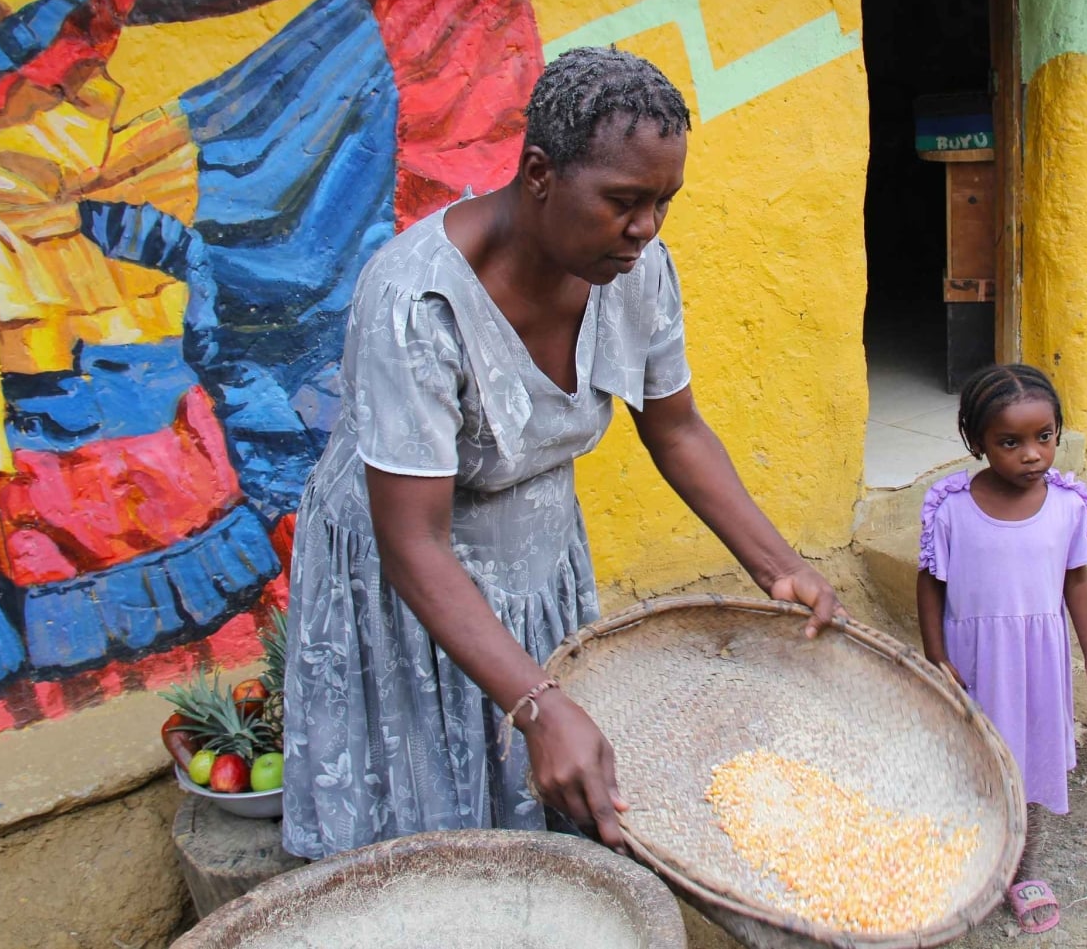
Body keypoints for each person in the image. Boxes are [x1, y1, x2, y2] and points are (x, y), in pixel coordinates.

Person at [280, 46, 847, 861]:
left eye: (664, 201)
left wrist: (778, 566)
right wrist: (539, 701)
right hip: (410, 582)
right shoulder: (417, 300)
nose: (646, 227)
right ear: (540, 172)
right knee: (434, 840)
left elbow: (676, 426)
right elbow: (414, 543)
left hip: (538, 558)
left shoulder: (637, 270)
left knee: (552, 821)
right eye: (624, 200)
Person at [915, 363, 1087, 935]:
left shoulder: (1068, 506)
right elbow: (932, 581)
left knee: (1025, 764)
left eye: (1044, 437)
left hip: (1037, 665)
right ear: (977, 442)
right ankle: (967, 863)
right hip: (976, 661)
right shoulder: (950, 507)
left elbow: (1077, 584)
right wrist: (936, 654)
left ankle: (1022, 870)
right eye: (1010, 442)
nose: (1032, 454)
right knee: (971, 762)